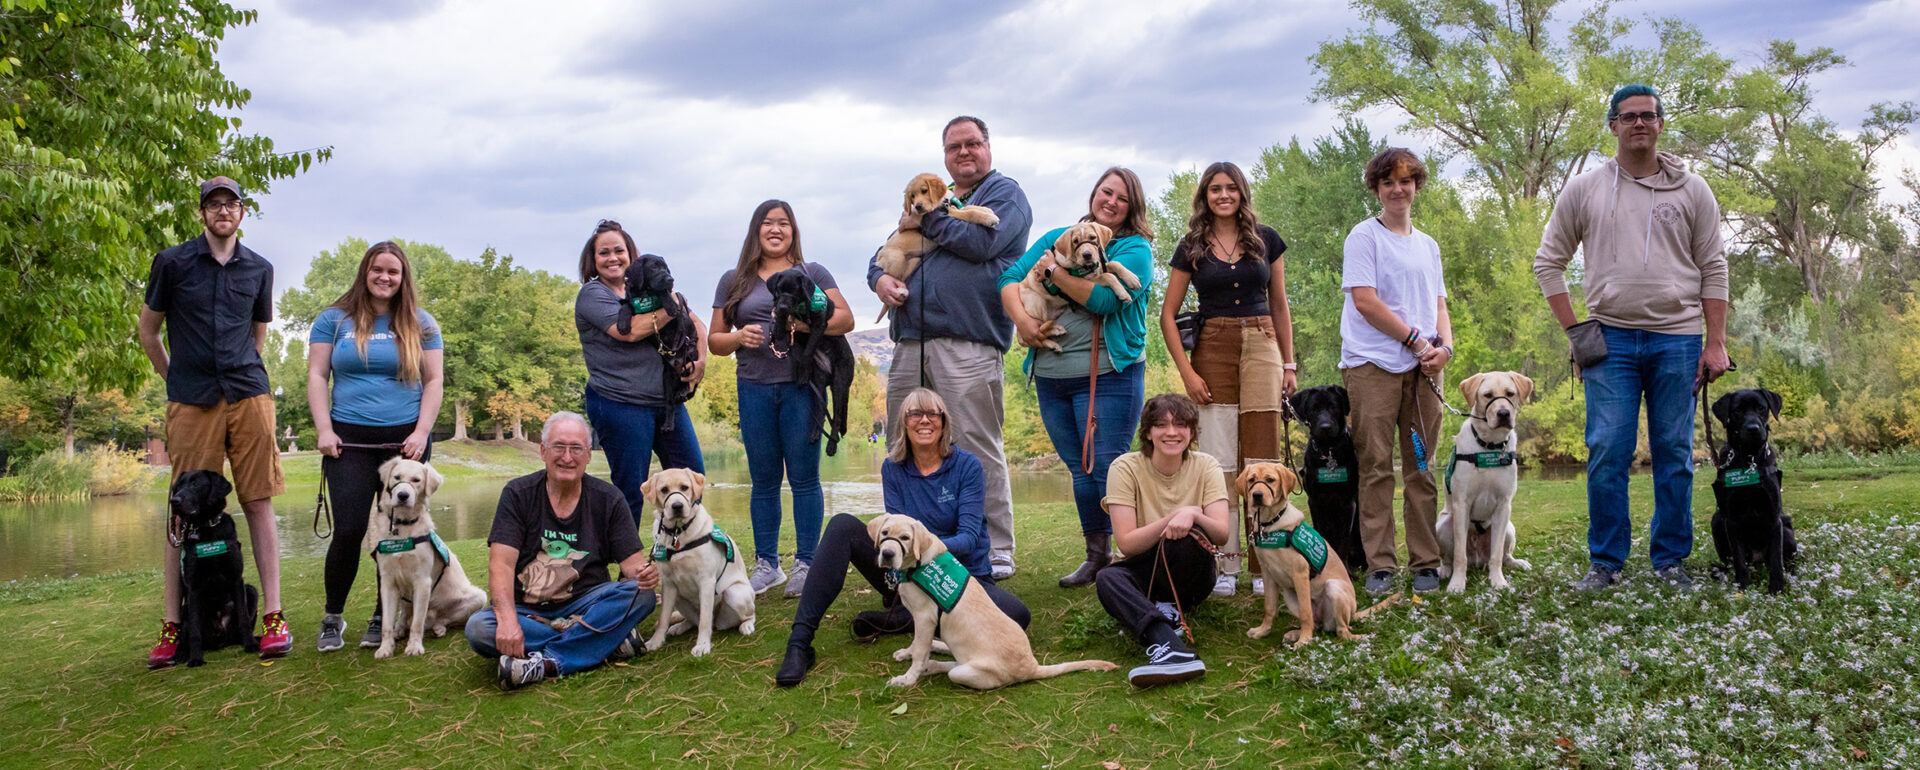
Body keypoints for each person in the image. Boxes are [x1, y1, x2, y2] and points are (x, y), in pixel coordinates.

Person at [1534, 84, 1731, 590]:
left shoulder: (1694, 190)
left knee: (1674, 454)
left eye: (1648, 116)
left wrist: (1716, 342)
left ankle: (1670, 560)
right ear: (1613, 126)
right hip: (1610, 341)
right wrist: (1577, 333)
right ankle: (1606, 563)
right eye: (1628, 117)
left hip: (1679, 338)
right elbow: (1548, 263)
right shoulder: (1585, 189)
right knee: (1607, 451)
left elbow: (1713, 266)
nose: (1639, 124)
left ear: (1661, 124)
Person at [774, 388, 1031, 687]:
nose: (924, 420)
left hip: (961, 576)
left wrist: (925, 548)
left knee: (1017, 616)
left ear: (944, 422)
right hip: (908, 573)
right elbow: (895, 535)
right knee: (841, 525)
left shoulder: (967, 466)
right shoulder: (892, 468)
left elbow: (970, 538)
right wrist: (907, 556)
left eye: (933, 413)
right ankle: (799, 643)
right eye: (915, 413)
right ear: (903, 423)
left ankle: (903, 619)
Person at [868, 115, 1032, 580]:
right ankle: (906, 546)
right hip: (909, 343)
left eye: (973, 143)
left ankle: (996, 549)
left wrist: (929, 217)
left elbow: (982, 243)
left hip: (969, 341)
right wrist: (879, 279)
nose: (964, 152)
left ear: (988, 147)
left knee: (977, 445)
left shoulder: (1004, 195)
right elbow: (882, 253)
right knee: (901, 446)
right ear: (944, 157)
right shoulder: (931, 197)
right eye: (954, 146)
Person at [137, 176, 291, 667]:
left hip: (248, 396)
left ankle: (272, 616)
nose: (223, 211)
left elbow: (258, 333)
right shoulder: (172, 262)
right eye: (213, 204)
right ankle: (172, 625)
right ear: (202, 213)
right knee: (181, 513)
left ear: (242, 213)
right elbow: (148, 331)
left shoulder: (260, 269)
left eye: (231, 204)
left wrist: (244, 377)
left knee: (259, 501)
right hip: (192, 399)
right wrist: (175, 380)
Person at [996, 167, 1155, 589]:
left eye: (1122, 197)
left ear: (1132, 206)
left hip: (1108, 374)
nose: (1112, 202)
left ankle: (1131, 554)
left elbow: (1103, 300)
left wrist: (1054, 274)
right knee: (1079, 469)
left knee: (1107, 467)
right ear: (1094, 193)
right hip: (1051, 375)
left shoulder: (1135, 249)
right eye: (1106, 192)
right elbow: (1009, 278)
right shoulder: (1059, 237)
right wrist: (1023, 325)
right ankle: (1096, 556)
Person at [1157, 161, 1296, 597]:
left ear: (1241, 193)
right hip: (1212, 346)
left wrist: (1289, 364)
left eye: (1230, 188)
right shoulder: (1192, 245)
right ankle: (1226, 564)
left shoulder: (1266, 239)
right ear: (1205, 195)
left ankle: (1264, 564)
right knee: (1218, 460)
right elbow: (1167, 315)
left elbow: (1280, 304)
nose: (1223, 195)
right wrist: (1187, 371)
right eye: (1215, 189)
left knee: (1262, 455)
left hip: (1262, 342)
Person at [707, 200, 854, 599]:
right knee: (764, 481)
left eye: (784, 223)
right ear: (756, 230)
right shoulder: (734, 280)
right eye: (768, 223)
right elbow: (714, 342)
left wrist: (795, 322)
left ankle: (806, 563)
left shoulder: (813, 273)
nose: (776, 229)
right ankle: (767, 566)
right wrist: (739, 337)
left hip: (801, 387)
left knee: (805, 479)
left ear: (794, 231)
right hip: (753, 386)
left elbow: (845, 319)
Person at [307, 241, 445, 652]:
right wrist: (323, 429)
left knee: (399, 533)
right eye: (377, 270)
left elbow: (434, 381)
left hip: (405, 443)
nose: (385, 277)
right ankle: (333, 617)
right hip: (347, 441)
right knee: (350, 530)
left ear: (404, 278)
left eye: (394, 271)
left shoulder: (422, 323)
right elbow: (317, 376)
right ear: (365, 272)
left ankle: (384, 615)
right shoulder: (333, 320)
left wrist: (421, 433)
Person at [465, 412, 659, 690]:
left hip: (587, 603)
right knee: (479, 629)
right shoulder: (517, 494)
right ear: (543, 451)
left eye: (576, 448)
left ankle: (546, 663)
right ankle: (603, 639)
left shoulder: (609, 499)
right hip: (528, 610)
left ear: (588, 455)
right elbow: (501, 565)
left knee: (641, 595)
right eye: (559, 447)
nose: (567, 457)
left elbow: (633, 567)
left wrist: (645, 575)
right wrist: (508, 622)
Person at [1339, 148, 1454, 596]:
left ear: (1417, 185)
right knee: (1375, 467)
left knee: (1421, 465)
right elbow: (1365, 301)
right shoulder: (1363, 237)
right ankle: (1381, 565)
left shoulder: (1428, 245)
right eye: (1388, 182)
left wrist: (1444, 346)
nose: (1397, 189)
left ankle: (1426, 561)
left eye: (1406, 181)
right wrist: (1414, 340)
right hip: (1373, 367)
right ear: (1376, 188)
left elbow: (1439, 304)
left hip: (1424, 370)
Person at [574, 220, 707, 526]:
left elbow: (697, 324)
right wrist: (675, 304)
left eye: (619, 250)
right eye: (603, 252)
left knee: (692, 478)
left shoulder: (647, 290)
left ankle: (684, 555)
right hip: (620, 403)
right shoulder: (592, 295)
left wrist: (700, 362)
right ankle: (629, 568)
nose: (613, 258)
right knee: (631, 491)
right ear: (592, 260)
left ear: (630, 254)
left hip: (667, 403)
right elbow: (630, 331)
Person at [1095, 394, 1231, 688]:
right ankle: (1170, 646)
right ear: (1147, 432)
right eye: (1161, 425)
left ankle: (1166, 611)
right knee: (1106, 577)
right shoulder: (1124, 467)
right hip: (1145, 565)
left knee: (1184, 538)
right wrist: (1173, 518)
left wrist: (1192, 514)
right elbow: (1127, 544)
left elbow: (1221, 533)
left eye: (1181, 424)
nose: (1172, 432)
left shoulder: (1207, 466)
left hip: (1192, 570)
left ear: (1192, 432)